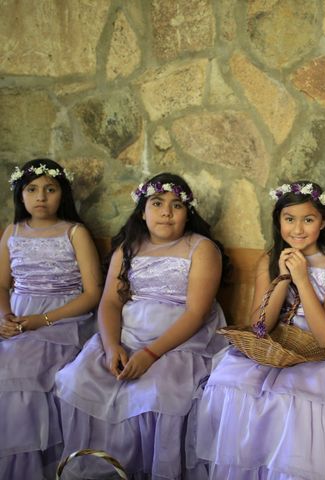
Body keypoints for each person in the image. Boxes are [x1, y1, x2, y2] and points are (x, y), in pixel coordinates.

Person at [54, 173, 229, 479]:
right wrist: (111, 347)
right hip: (126, 336)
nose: (166, 212)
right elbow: (109, 302)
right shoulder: (128, 248)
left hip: (177, 343)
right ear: (142, 211)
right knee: (77, 378)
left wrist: (150, 354)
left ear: (188, 213)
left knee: (156, 393)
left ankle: (150, 470)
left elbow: (196, 313)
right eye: (157, 203)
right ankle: (101, 469)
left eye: (176, 205)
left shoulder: (201, 249)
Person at [191, 181, 325, 480]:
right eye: (289, 219)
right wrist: (281, 276)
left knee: (292, 398)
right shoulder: (269, 260)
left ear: (324, 222)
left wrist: (302, 280)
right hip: (272, 345)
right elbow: (261, 327)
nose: (298, 229)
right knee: (231, 382)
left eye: (309, 219)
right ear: (278, 221)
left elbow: (324, 338)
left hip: (315, 354)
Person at [0, 159, 102, 478]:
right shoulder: (12, 232)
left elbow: (92, 293)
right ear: (20, 195)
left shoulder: (75, 232)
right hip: (17, 316)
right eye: (31, 189)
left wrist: (41, 320)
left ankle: (25, 467)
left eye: (49, 189)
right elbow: (2, 284)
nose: (40, 196)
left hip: (63, 320)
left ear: (62, 194)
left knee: (17, 367)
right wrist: (5, 315)